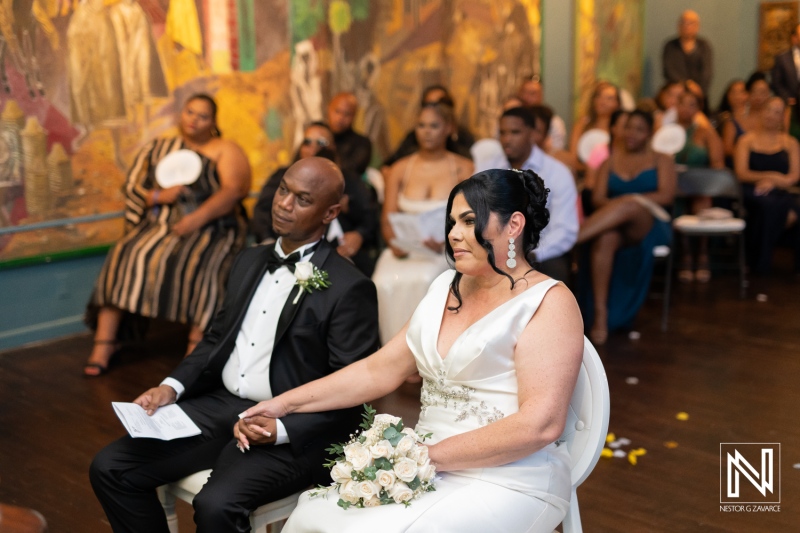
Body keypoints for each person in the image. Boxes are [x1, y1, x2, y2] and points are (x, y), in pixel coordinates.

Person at [237, 168, 585, 533]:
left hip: (509, 478)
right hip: (423, 466)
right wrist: (284, 404)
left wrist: (418, 456)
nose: (453, 234)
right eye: (452, 222)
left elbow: (540, 424)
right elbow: (378, 370)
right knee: (314, 516)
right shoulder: (444, 287)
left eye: (469, 221)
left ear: (514, 225)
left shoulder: (548, 303)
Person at [89, 157, 381, 532]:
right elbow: (216, 338)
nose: (284, 204)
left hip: (291, 424)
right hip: (220, 405)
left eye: (302, 199)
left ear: (330, 213)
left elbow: (351, 389)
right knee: (111, 468)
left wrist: (281, 430)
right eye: (283, 190)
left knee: (216, 506)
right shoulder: (248, 260)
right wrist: (170, 387)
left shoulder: (349, 287)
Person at [83, 94, 251, 376]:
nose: (194, 120)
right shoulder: (161, 148)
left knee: (203, 262)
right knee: (127, 252)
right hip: (161, 225)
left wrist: (195, 219)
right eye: (189, 112)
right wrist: (161, 195)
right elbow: (135, 191)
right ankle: (105, 343)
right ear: (181, 115)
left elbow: (234, 191)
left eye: (202, 115)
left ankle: (195, 352)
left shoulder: (225, 149)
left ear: (213, 121)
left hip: (214, 228)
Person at [373, 102, 473, 344]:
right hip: (403, 248)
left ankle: (426, 347)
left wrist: (446, 242)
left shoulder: (463, 167)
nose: (426, 132)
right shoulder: (399, 168)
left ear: (449, 128)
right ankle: (392, 348)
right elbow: (387, 217)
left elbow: (471, 217)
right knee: (381, 281)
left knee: (427, 278)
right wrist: (394, 243)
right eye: (421, 125)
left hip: (445, 249)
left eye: (434, 126)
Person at [577, 109, 676, 345]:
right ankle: (600, 314)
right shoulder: (609, 162)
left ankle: (572, 239)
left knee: (630, 204)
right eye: (628, 127)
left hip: (651, 221)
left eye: (639, 129)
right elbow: (597, 198)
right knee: (606, 238)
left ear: (649, 134)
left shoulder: (662, 159)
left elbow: (666, 195)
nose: (632, 133)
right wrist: (620, 206)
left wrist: (630, 201)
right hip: (616, 225)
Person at [252, 122, 379, 276]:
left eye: (321, 143)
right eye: (307, 142)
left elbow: (369, 213)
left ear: (333, 148)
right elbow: (262, 211)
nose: (313, 148)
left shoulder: (346, 179)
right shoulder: (283, 175)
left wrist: (360, 234)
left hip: (339, 251)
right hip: (285, 248)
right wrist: (268, 241)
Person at [474, 106, 578, 282]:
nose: (507, 139)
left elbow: (565, 230)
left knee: (554, 274)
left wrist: (531, 253)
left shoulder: (556, 172)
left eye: (515, 132)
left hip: (540, 252)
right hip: (492, 249)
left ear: (532, 134)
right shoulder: (488, 169)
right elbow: (474, 211)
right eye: (503, 132)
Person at [734, 96, 800, 278]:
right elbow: (741, 173)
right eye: (769, 110)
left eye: (778, 112)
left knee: (788, 205)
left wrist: (775, 182)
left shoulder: (790, 142)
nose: (772, 115)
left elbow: (793, 177)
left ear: (782, 117)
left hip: (783, 191)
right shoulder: (746, 140)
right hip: (753, 190)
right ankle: (761, 263)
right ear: (762, 112)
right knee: (767, 204)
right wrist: (769, 177)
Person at [674, 89, 724, 283]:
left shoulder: (706, 132)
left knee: (701, 200)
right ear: (676, 106)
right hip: (675, 186)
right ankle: (685, 254)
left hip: (702, 184)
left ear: (699, 109)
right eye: (682, 104)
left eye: (692, 104)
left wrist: (703, 180)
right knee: (677, 200)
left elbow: (718, 164)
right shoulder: (667, 133)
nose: (686, 109)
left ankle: (702, 254)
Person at [381, 85, 475, 169]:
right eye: (429, 104)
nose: (427, 131)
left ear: (448, 128)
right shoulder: (413, 138)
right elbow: (389, 165)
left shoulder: (463, 145)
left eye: (440, 104)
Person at [568, 81, 621, 166]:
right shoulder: (582, 124)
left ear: (617, 104)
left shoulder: (619, 129)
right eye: (599, 96)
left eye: (609, 98)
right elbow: (572, 159)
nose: (603, 101)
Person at [662, 10, 713, 96]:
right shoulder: (670, 46)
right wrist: (687, 84)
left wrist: (698, 89)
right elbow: (669, 70)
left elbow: (707, 72)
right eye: (683, 23)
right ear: (678, 26)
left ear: (697, 26)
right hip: (676, 94)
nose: (687, 27)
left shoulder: (704, 46)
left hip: (698, 93)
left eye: (691, 23)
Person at [327, 92, 373, 176]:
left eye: (347, 114)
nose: (340, 118)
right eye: (337, 111)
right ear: (329, 109)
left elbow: (350, 172)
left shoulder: (362, 143)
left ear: (354, 116)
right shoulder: (317, 136)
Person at [517, 77, 568, 151]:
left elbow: (556, 152)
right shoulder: (510, 120)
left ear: (541, 96)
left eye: (532, 93)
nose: (526, 97)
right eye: (524, 92)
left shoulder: (554, 122)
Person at [716, 79, 749, 167]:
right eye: (734, 92)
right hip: (733, 163)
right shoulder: (723, 118)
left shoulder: (755, 117)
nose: (737, 96)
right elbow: (726, 148)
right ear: (728, 95)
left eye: (741, 92)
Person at [771, 24, 800, 108]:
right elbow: (776, 83)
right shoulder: (782, 58)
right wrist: (787, 98)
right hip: (789, 105)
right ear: (794, 38)